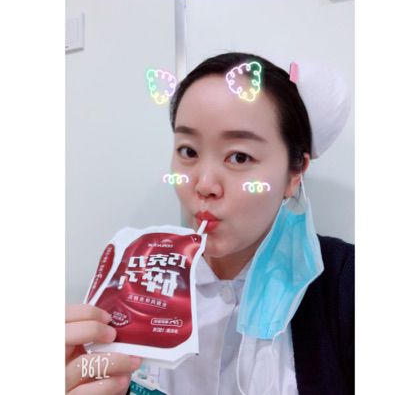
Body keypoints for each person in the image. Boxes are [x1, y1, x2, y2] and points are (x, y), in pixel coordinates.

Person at [66, 52, 354, 395]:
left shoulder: (345, 286)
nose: (204, 185)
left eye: (239, 157)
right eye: (188, 151)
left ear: (295, 173)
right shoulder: (131, 281)